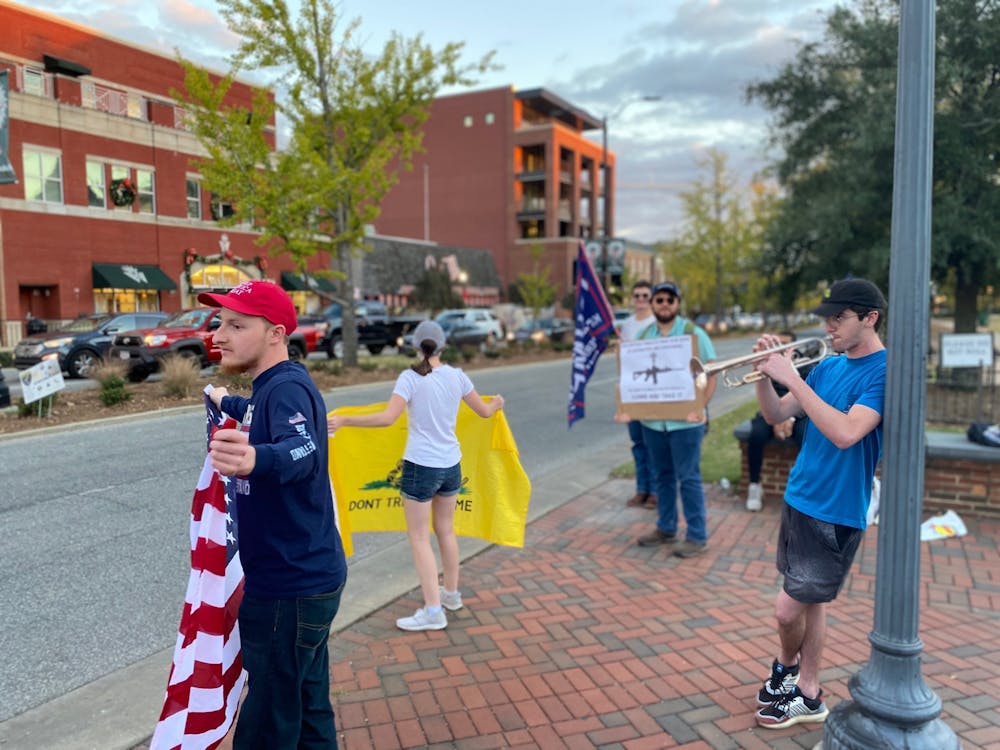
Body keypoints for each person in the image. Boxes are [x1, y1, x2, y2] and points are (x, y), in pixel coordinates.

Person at [199, 280, 348, 749]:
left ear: (275, 334)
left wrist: (255, 460)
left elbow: (301, 450)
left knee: (267, 722)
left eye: (236, 325)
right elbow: (263, 416)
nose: (219, 334)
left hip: (289, 590)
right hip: (308, 578)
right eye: (220, 323)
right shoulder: (276, 387)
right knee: (305, 706)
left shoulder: (284, 388)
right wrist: (229, 402)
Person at [751, 278, 887, 730]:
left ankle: (785, 670)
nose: (829, 326)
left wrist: (792, 375)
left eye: (839, 318)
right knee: (812, 603)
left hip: (836, 509)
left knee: (787, 609)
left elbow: (848, 433)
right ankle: (807, 693)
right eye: (826, 317)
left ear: (870, 319)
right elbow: (777, 415)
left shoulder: (884, 371)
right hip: (800, 498)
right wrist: (764, 375)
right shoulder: (829, 367)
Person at [327, 320, 504, 632]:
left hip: (421, 467)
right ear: (442, 345)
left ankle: (434, 610)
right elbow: (486, 412)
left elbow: (387, 419)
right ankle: (451, 595)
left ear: (414, 345)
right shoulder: (457, 376)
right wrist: (497, 402)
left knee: (420, 537)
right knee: (446, 531)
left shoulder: (410, 378)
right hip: (452, 466)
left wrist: (344, 421)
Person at [632, 281, 718, 558]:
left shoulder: (694, 334)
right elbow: (635, 376)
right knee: (662, 476)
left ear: (678, 303)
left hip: (686, 421)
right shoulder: (644, 336)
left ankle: (697, 536)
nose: (665, 304)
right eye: (659, 300)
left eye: (670, 299)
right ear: (653, 304)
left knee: (689, 477)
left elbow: (712, 373)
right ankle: (666, 527)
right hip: (654, 423)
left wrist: (701, 406)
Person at [744, 331, 814, 512]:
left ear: (793, 348)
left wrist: (789, 418)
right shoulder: (768, 364)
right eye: (777, 344)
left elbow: (807, 396)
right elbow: (768, 399)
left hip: (798, 413)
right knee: (756, 434)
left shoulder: (806, 364)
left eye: (784, 345)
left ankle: (807, 487)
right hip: (772, 411)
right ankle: (754, 485)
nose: (779, 348)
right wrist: (777, 419)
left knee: (806, 435)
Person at [617, 280, 657, 509]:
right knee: (637, 443)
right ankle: (641, 489)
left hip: (652, 391)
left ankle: (654, 491)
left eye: (645, 295)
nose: (641, 300)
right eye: (637, 296)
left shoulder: (655, 324)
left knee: (652, 443)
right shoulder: (627, 325)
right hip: (632, 390)